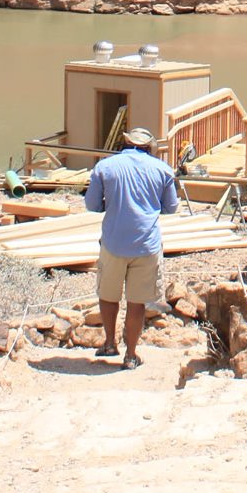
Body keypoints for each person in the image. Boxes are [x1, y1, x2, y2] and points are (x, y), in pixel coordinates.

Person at [83, 126, 178, 368]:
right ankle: (131, 355)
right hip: (146, 244)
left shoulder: (105, 167)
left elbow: (92, 205)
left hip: (114, 242)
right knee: (137, 302)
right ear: (149, 147)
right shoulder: (163, 170)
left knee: (108, 294)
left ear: (125, 143)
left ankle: (109, 343)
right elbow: (171, 207)